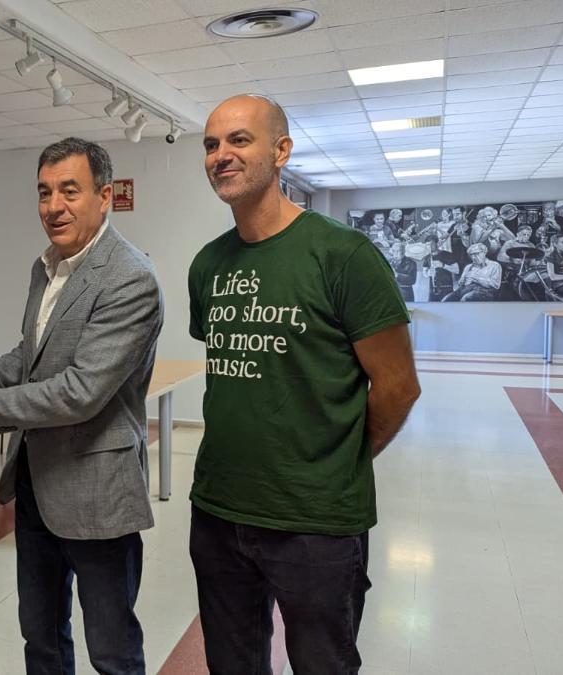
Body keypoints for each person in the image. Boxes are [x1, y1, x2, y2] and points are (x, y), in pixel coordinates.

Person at [190, 94, 420, 674]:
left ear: (281, 151)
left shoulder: (344, 255)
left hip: (315, 523)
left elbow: (398, 385)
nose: (221, 155)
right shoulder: (207, 265)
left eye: (239, 140)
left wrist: (338, 460)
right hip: (218, 511)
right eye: (212, 144)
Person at [0, 137, 163, 675]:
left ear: (105, 197)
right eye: (44, 192)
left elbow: (80, 391)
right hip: (35, 485)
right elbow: (30, 357)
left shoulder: (130, 278)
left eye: (69, 191)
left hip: (97, 495)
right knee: (42, 638)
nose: (54, 206)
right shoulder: (48, 267)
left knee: (113, 650)